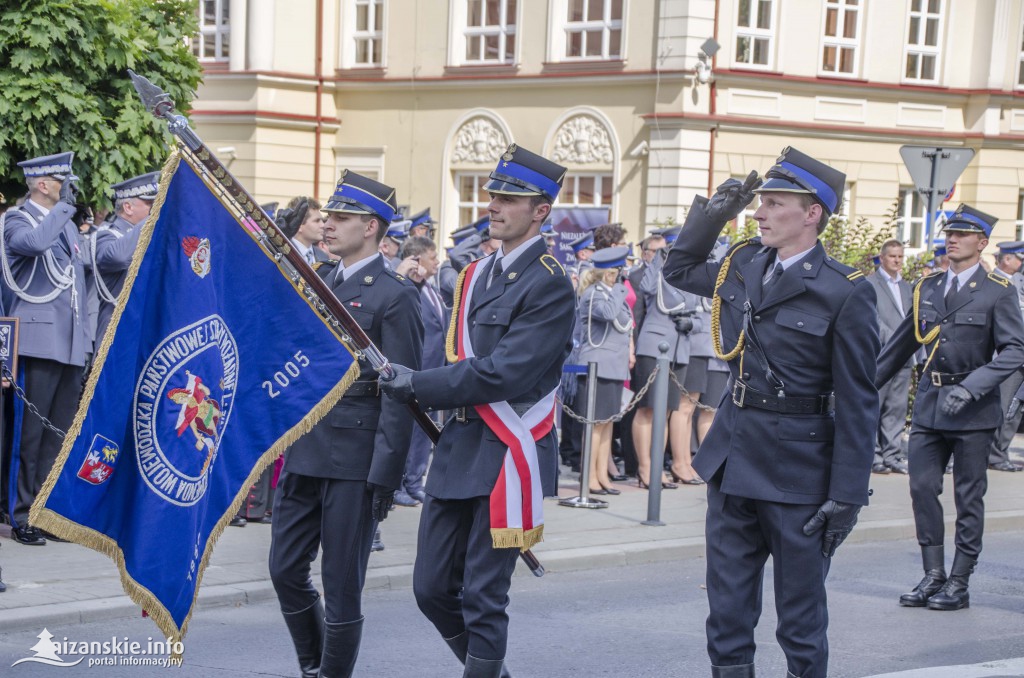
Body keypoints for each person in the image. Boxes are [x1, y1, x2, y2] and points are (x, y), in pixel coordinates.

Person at [663, 147, 880, 678]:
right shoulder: (742, 265)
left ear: (812, 214)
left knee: (800, 622)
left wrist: (847, 494)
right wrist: (713, 214)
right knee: (727, 615)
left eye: (774, 202)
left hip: (799, 475)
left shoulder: (844, 291)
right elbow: (680, 268)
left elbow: (858, 399)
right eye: (759, 202)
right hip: (734, 461)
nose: (759, 212)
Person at [379, 143, 574, 678]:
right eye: (493, 195)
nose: (494, 205)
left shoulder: (550, 280)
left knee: (484, 597)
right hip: (460, 447)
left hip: (507, 452)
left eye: (510, 198)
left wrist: (418, 384)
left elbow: (505, 372)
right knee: (432, 588)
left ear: (540, 211)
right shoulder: (473, 276)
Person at [268, 170, 423, 677]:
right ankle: (313, 664)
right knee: (285, 569)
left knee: (341, 585)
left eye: (341, 217)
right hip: (307, 448)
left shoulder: (395, 295)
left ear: (372, 227)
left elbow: (402, 393)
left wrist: (387, 473)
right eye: (328, 217)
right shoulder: (320, 281)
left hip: (355, 462)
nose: (328, 225)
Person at [876, 204, 1024, 613]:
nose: (952, 239)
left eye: (962, 234)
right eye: (949, 233)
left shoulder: (998, 289)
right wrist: (860, 389)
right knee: (921, 487)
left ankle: (959, 580)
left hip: (973, 409)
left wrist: (975, 387)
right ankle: (933, 573)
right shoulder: (929, 287)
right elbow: (899, 347)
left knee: (968, 496)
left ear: (982, 243)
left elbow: (1015, 350)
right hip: (930, 403)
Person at [1, 152, 92, 546]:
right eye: (61, 180)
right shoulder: (16, 219)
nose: (66, 186)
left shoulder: (67, 227)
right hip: (37, 340)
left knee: (58, 436)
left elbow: (80, 280)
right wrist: (65, 212)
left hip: (69, 342)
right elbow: (34, 246)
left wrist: (85, 339)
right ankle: (21, 514)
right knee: (30, 436)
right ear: (42, 183)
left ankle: (47, 513)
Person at [634, 226, 704, 489]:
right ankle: (645, 468)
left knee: (665, 412)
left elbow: (700, 315)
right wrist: (661, 255)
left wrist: (691, 324)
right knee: (649, 410)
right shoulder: (659, 270)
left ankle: (656, 466)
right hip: (655, 346)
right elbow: (646, 286)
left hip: (680, 348)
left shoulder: (689, 276)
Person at [392, 235, 449, 507]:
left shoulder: (431, 288)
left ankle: (414, 482)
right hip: (417, 369)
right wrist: (411, 278)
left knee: (424, 430)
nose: (437, 261)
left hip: (434, 371)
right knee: (409, 429)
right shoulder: (411, 287)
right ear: (417, 259)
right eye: (432, 255)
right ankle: (399, 483)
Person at [575, 246, 634, 496]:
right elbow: (609, 314)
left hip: (614, 366)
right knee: (596, 425)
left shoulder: (610, 292)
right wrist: (620, 289)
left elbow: (626, 323)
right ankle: (589, 478)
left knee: (607, 424)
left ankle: (602, 475)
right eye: (618, 270)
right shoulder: (593, 293)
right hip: (597, 365)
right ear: (610, 272)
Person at [91, 171, 159, 342]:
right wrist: (150, 219)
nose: (156, 208)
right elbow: (118, 257)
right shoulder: (107, 234)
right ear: (128, 207)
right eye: (151, 204)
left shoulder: (148, 237)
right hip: (117, 330)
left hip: (145, 328)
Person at [866, 239, 913, 475]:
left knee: (897, 408)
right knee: (876, 406)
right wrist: (897, 340)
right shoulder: (870, 284)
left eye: (900, 257)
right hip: (882, 355)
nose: (897, 260)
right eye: (892, 256)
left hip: (904, 358)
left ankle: (892, 454)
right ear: (882, 258)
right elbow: (872, 318)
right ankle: (873, 455)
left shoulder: (907, 286)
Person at [985, 240, 1024, 472]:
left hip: (1019, 356)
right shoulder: (993, 282)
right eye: (1019, 258)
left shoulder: (1018, 282)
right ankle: (993, 454)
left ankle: (1000, 451)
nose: (1022, 263)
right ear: (1007, 259)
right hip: (1002, 356)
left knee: (1015, 407)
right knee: (1001, 406)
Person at [277, 197, 328, 265]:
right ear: (299, 224)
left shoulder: (323, 256)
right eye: (317, 221)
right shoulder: (280, 252)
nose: (323, 225)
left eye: (322, 220)